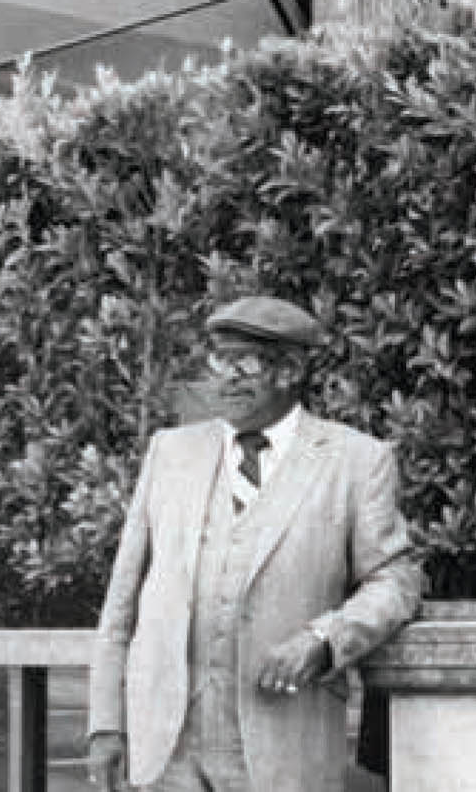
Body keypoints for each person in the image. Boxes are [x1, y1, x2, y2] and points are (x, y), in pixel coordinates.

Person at [87, 295, 423, 792]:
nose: (225, 377)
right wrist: (106, 723)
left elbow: (396, 582)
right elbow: (121, 602)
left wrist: (325, 638)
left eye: (242, 362)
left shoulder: (356, 461)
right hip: (164, 744)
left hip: (285, 744)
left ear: (289, 371)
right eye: (218, 361)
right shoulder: (170, 452)